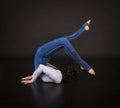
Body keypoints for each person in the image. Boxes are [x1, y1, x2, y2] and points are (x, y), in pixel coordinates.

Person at [21, 19, 95, 85]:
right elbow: (43, 67)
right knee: (64, 40)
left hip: (41, 57)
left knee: (63, 41)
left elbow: (41, 67)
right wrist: (34, 75)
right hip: (42, 59)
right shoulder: (59, 76)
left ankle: (84, 65)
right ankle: (83, 29)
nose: (68, 67)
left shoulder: (58, 79)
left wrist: (33, 79)